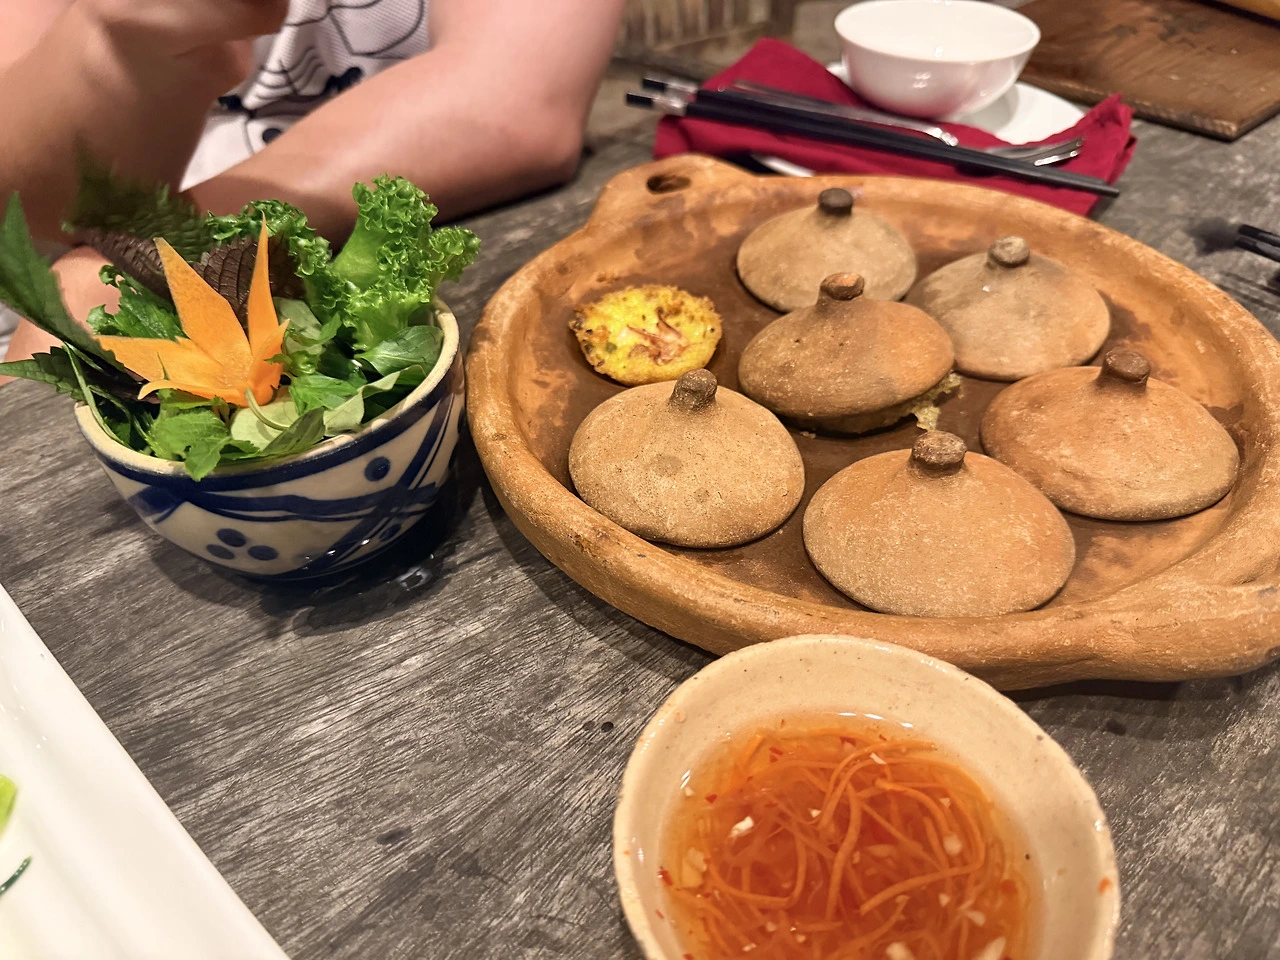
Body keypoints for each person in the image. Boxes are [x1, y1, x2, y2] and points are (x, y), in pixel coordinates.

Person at [0, 0, 624, 365]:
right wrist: (113, 40)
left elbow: (514, 99)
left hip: (391, 206)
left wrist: (164, 248)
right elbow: (34, 198)